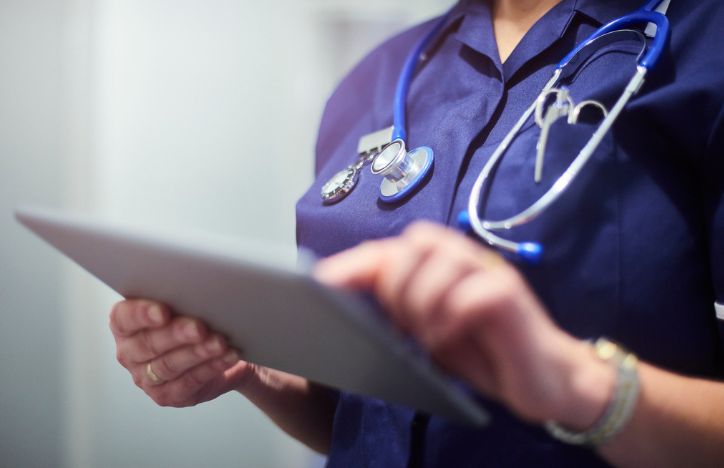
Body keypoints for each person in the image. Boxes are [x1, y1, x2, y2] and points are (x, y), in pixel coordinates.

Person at [109, 0, 724, 466]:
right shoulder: (377, 77)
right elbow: (367, 416)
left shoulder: (705, 46)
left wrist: (578, 385)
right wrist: (252, 371)